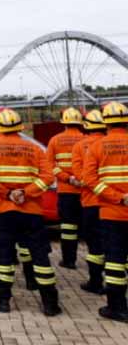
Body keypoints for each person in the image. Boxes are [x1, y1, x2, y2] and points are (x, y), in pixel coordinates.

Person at [0, 108, 60, 316]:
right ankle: (50, 304)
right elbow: (48, 177)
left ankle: (3, 302)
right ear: (19, 126)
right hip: (31, 210)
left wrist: (8, 194)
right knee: (40, 256)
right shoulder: (33, 148)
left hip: (3, 210)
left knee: (4, 255)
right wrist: (27, 193)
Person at [82, 101, 128, 322]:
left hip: (112, 212)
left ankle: (117, 307)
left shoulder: (97, 147)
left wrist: (118, 197)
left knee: (115, 260)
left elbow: (90, 180)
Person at [72, 109, 107, 294]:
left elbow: (80, 174)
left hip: (91, 202)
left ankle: (96, 282)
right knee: (117, 244)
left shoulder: (81, 146)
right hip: (117, 204)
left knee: (94, 245)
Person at [48, 107, 86, 269]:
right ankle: (97, 260)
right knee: (89, 227)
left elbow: (49, 165)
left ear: (64, 123)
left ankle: (69, 261)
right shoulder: (86, 140)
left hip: (66, 190)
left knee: (68, 227)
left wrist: (66, 177)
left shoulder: (55, 140)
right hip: (87, 191)